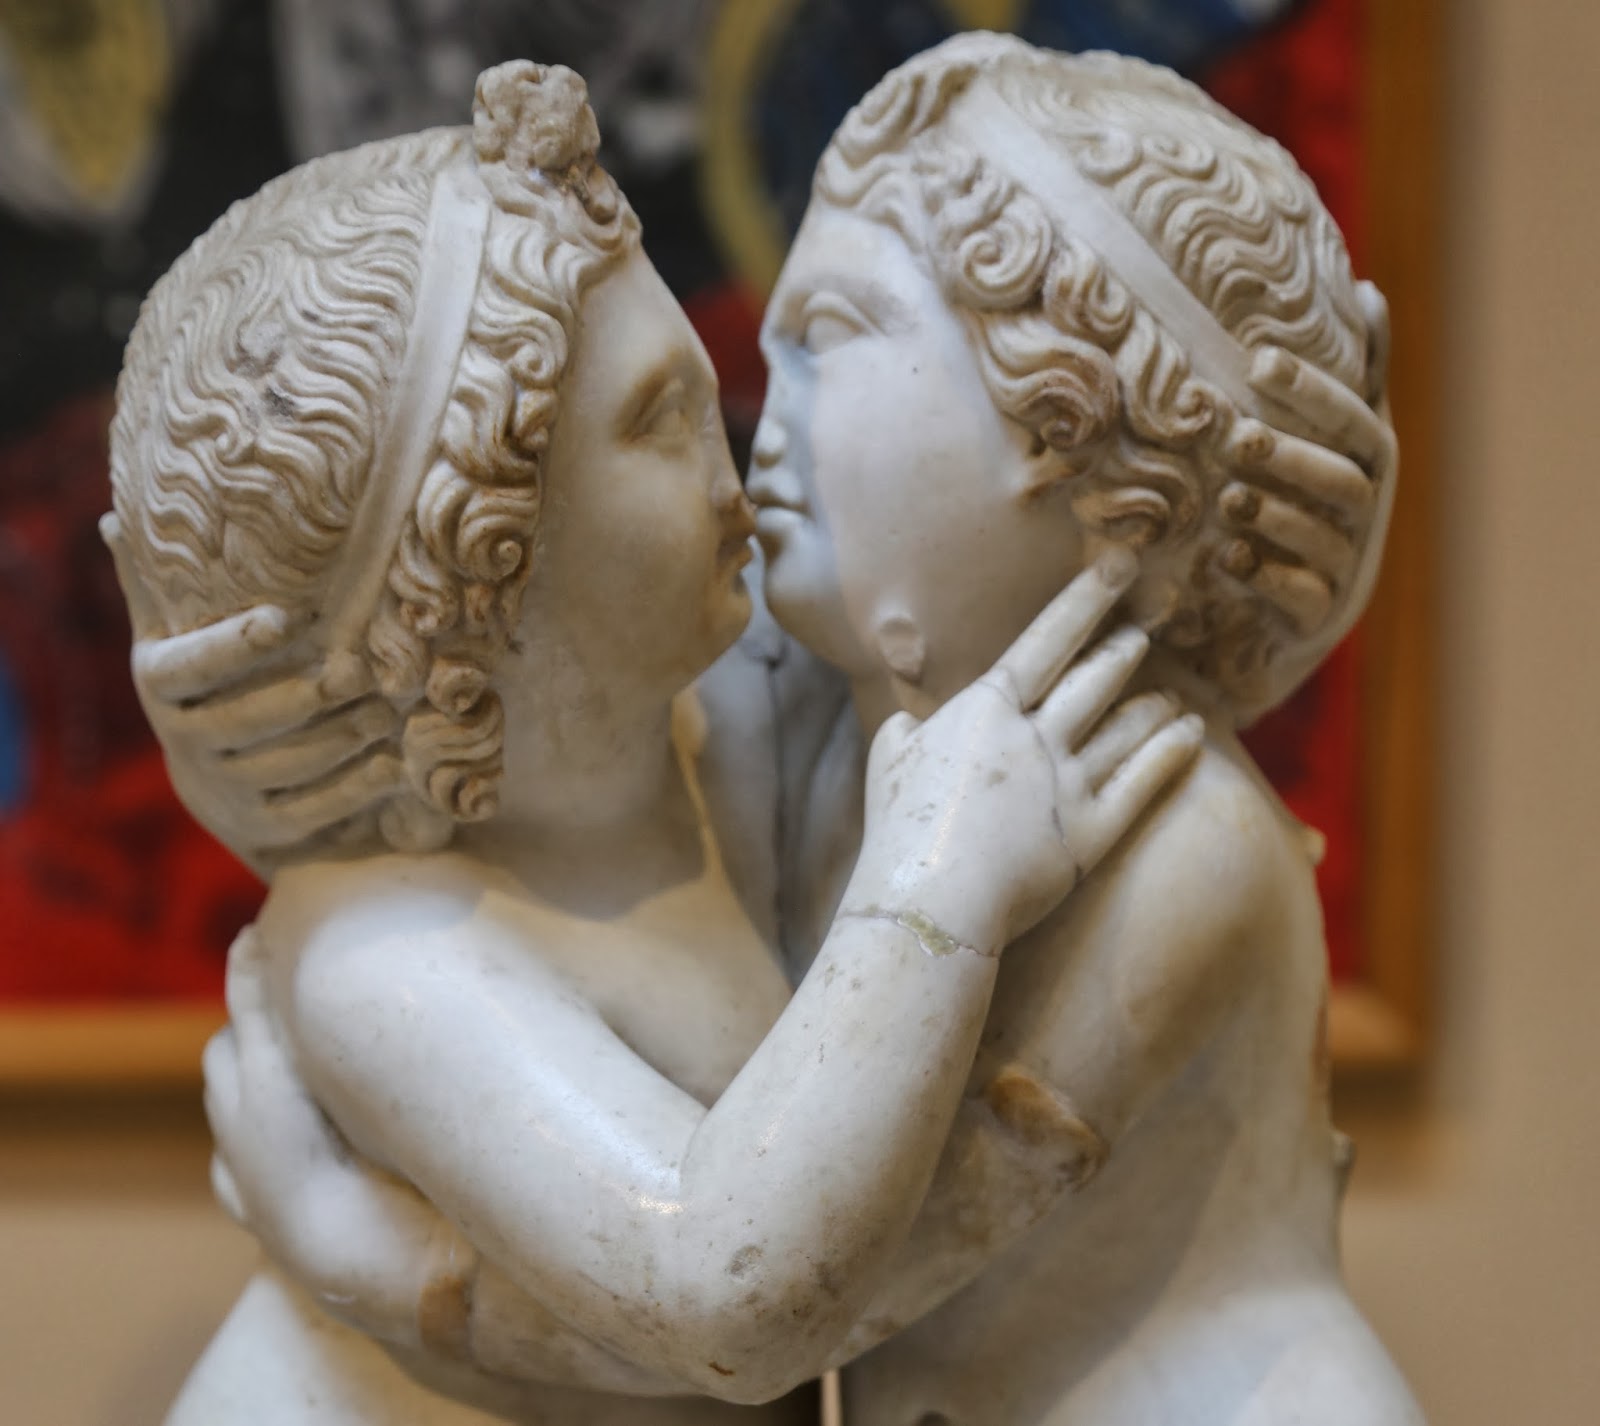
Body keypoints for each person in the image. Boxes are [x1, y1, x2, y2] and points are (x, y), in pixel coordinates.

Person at [124, 36, 1419, 1426]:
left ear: (1077, 429)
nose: (747, 423)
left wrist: (380, 1262)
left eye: (828, 338)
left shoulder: (1143, 820)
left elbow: (829, 1288)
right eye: (666, 411)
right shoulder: (771, 734)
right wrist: (290, 697)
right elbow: (760, 1290)